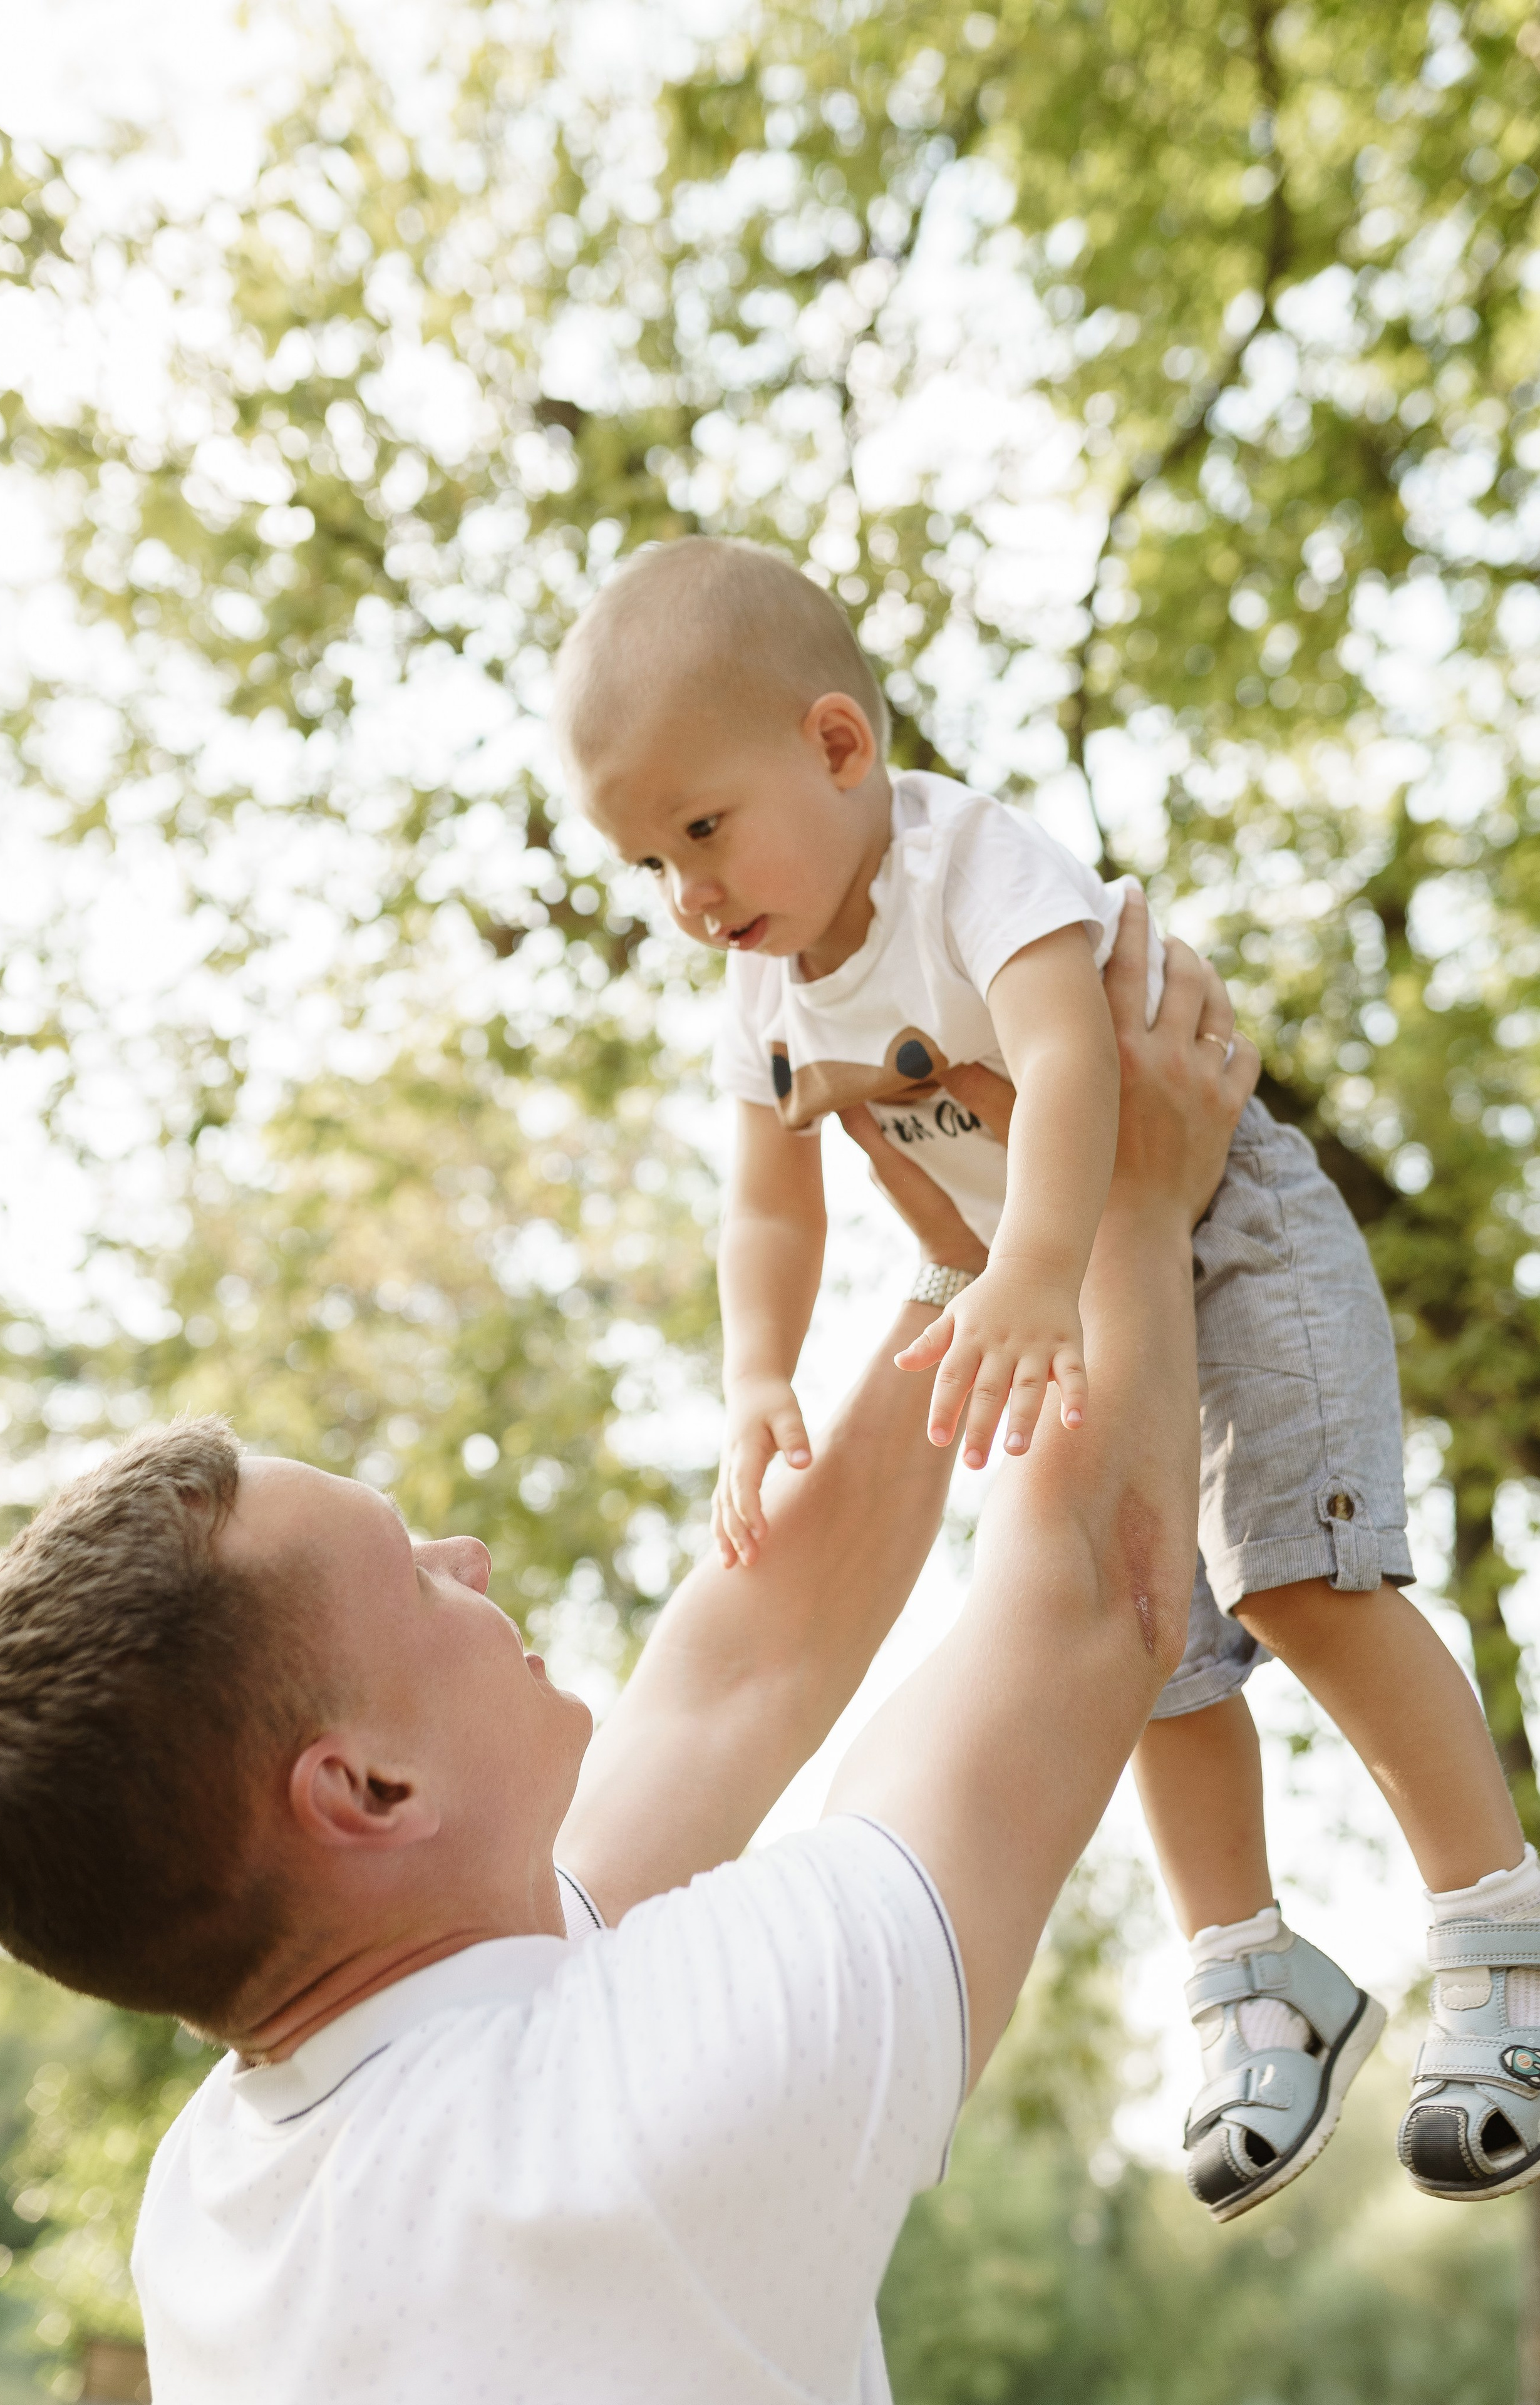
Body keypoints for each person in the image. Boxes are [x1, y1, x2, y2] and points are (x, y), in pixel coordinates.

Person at [0, 908, 1241, 2403]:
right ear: (362, 1790)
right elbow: (1092, 1604)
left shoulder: (227, 2195)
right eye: (413, 1579)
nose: (467, 1559)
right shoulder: (654, 2111)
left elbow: (747, 1663)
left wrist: (965, 1261)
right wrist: (1129, 1203)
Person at [555, 534, 1540, 2217]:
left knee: (1299, 1579)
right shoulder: (765, 989)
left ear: (841, 746)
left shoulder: (968, 863)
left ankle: (1498, 1926)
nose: (690, 895)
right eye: (650, 862)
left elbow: (1080, 1062)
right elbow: (765, 1201)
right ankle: (1254, 1978)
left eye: (703, 829)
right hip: (1059, 1287)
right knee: (1135, 1642)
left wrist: (1020, 1268)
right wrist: (754, 1384)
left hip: (1226, 1239)